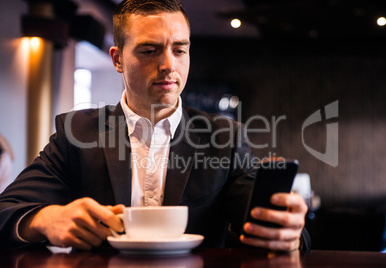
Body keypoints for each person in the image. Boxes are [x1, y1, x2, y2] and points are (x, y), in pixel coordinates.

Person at [0, 0, 310, 251]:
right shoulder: (76, 132)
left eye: (179, 49)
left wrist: (288, 230)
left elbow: (260, 221)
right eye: (149, 51)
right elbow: (7, 210)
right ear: (118, 58)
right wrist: (45, 218)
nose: (168, 65)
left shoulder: (225, 138)